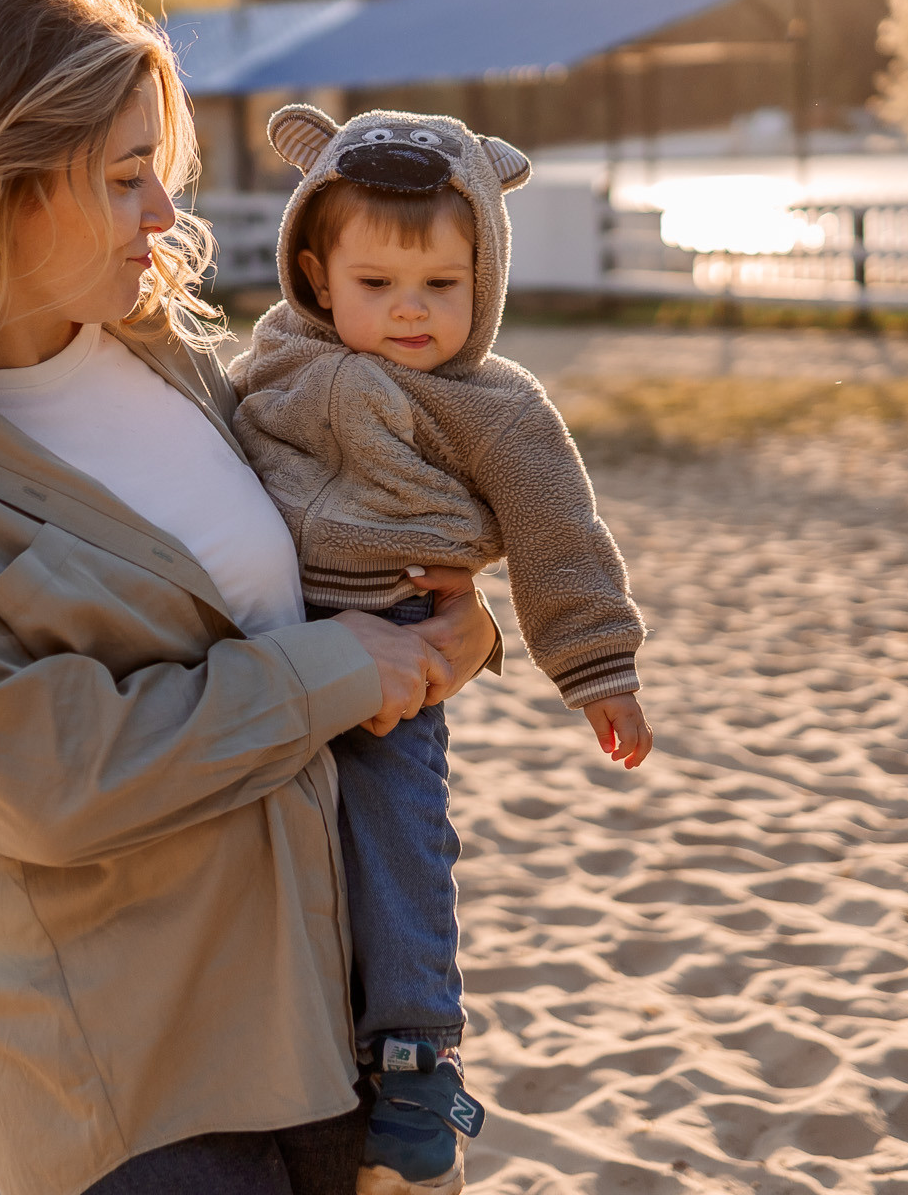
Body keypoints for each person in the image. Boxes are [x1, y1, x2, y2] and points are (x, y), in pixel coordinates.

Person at [0, 0, 500, 1195]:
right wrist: (333, 671)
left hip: (349, 1032)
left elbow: (307, 592)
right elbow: (43, 774)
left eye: (159, 169)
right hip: (143, 1095)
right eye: (121, 175)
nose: (162, 214)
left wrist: (438, 631)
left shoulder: (169, 357)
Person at [228, 104, 653, 1194]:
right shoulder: (273, 356)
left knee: (399, 829)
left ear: (487, 278)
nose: (411, 314)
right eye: (377, 287)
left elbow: (560, 532)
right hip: (279, 630)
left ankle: (418, 1054)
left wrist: (597, 665)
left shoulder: (494, 406)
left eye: (443, 289)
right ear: (318, 276)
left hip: (407, 631)